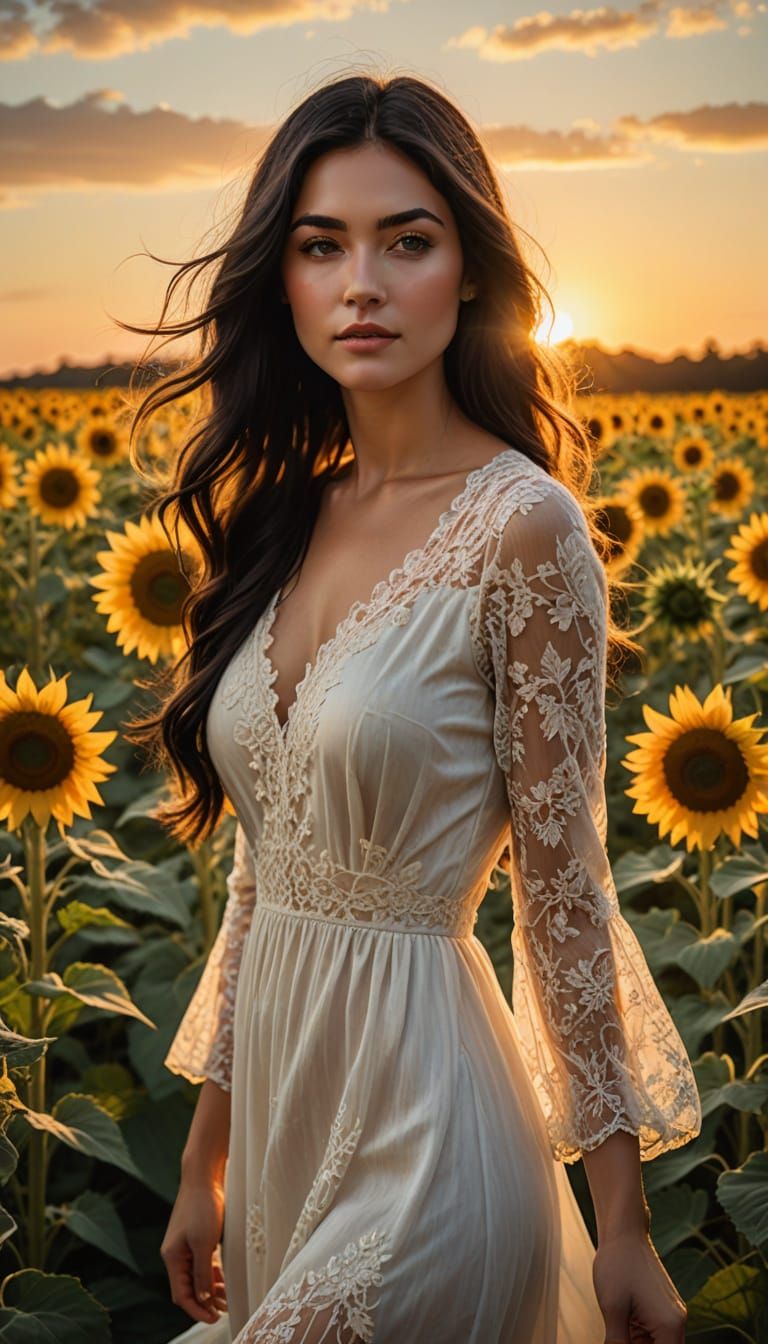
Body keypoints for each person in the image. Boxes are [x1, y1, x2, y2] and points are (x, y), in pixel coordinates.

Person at [122, 70, 702, 1344]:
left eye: (409, 241)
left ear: (472, 272)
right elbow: (265, 875)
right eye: (321, 246)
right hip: (280, 1130)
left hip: (435, 1131)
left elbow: (565, 889)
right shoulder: (283, 520)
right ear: (282, 279)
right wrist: (201, 1161)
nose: (362, 284)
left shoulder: (525, 530)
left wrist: (622, 1230)